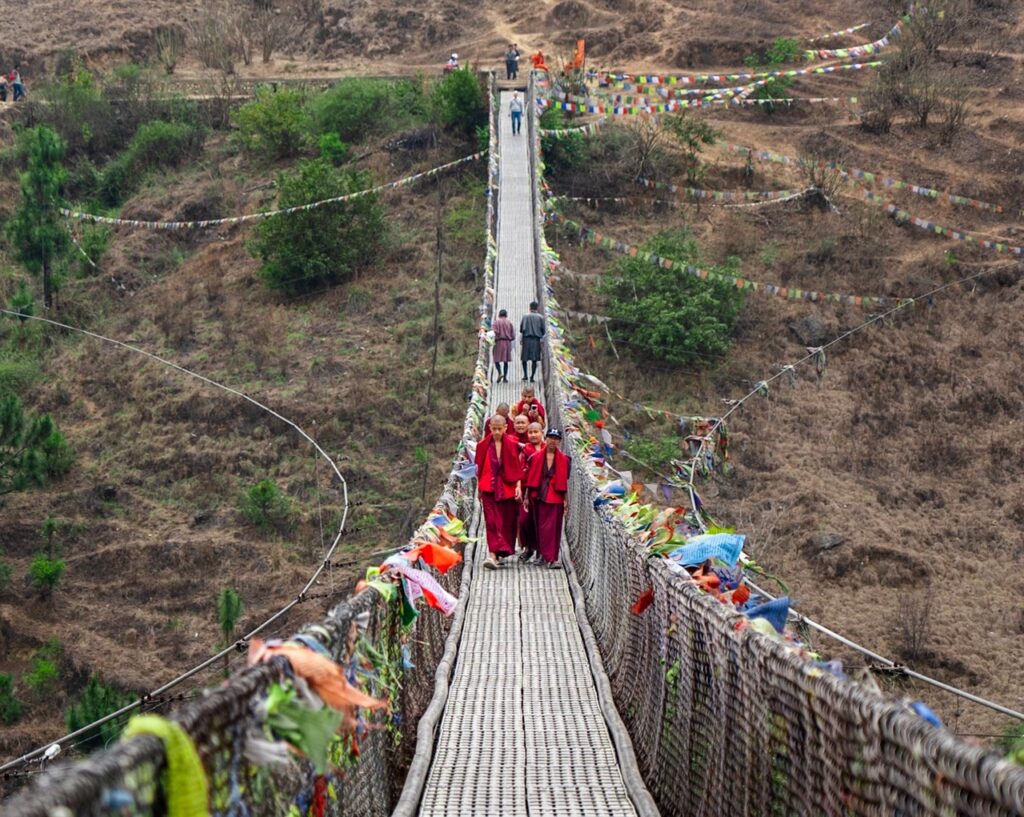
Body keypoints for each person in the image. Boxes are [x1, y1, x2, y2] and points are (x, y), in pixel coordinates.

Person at [475, 414, 525, 570]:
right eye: (494, 429)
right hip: (488, 486)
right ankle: (492, 554)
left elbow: (517, 467)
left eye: (499, 429)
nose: (496, 432)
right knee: (491, 521)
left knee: (507, 520)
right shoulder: (482, 445)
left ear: (505, 428)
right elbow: (479, 467)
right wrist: (478, 487)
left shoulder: (512, 444)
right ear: (489, 428)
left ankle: (501, 551)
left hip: (506, 487)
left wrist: (518, 486)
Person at [525, 428, 570, 567]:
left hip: (555, 497)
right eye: (550, 438)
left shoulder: (565, 460)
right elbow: (530, 477)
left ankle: (552, 558)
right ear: (546, 439)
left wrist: (566, 500)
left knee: (554, 528)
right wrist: (526, 497)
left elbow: (565, 481)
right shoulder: (535, 457)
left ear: (560, 442)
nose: (553, 441)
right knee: (539, 526)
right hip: (539, 495)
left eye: (556, 439)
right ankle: (542, 554)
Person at [517, 422, 545, 564]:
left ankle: (541, 551)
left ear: (542, 432)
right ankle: (529, 547)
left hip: (544, 491)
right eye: (530, 432)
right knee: (524, 520)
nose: (533, 435)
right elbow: (520, 470)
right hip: (527, 490)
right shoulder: (525, 451)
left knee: (541, 522)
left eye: (536, 432)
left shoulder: (548, 449)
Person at [519, 301, 545, 382]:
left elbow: (521, 329)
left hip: (526, 339)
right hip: (536, 340)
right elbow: (543, 330)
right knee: (535, 359)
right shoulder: (540, 317)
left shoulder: (525, 316)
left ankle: (525, 375)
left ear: (529, 307)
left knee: (524, 358)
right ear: (537, 308)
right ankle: (532, 376)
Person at [492, 308, 515, 383]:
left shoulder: (496, 322)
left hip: (498, 342)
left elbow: (494, 332)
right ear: (506, 315)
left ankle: (499, 372)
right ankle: (505, 378)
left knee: (496, 359)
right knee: (506, 361)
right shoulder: (509, 323)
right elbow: (513, 335)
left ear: (499, 315)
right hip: (507, 342)